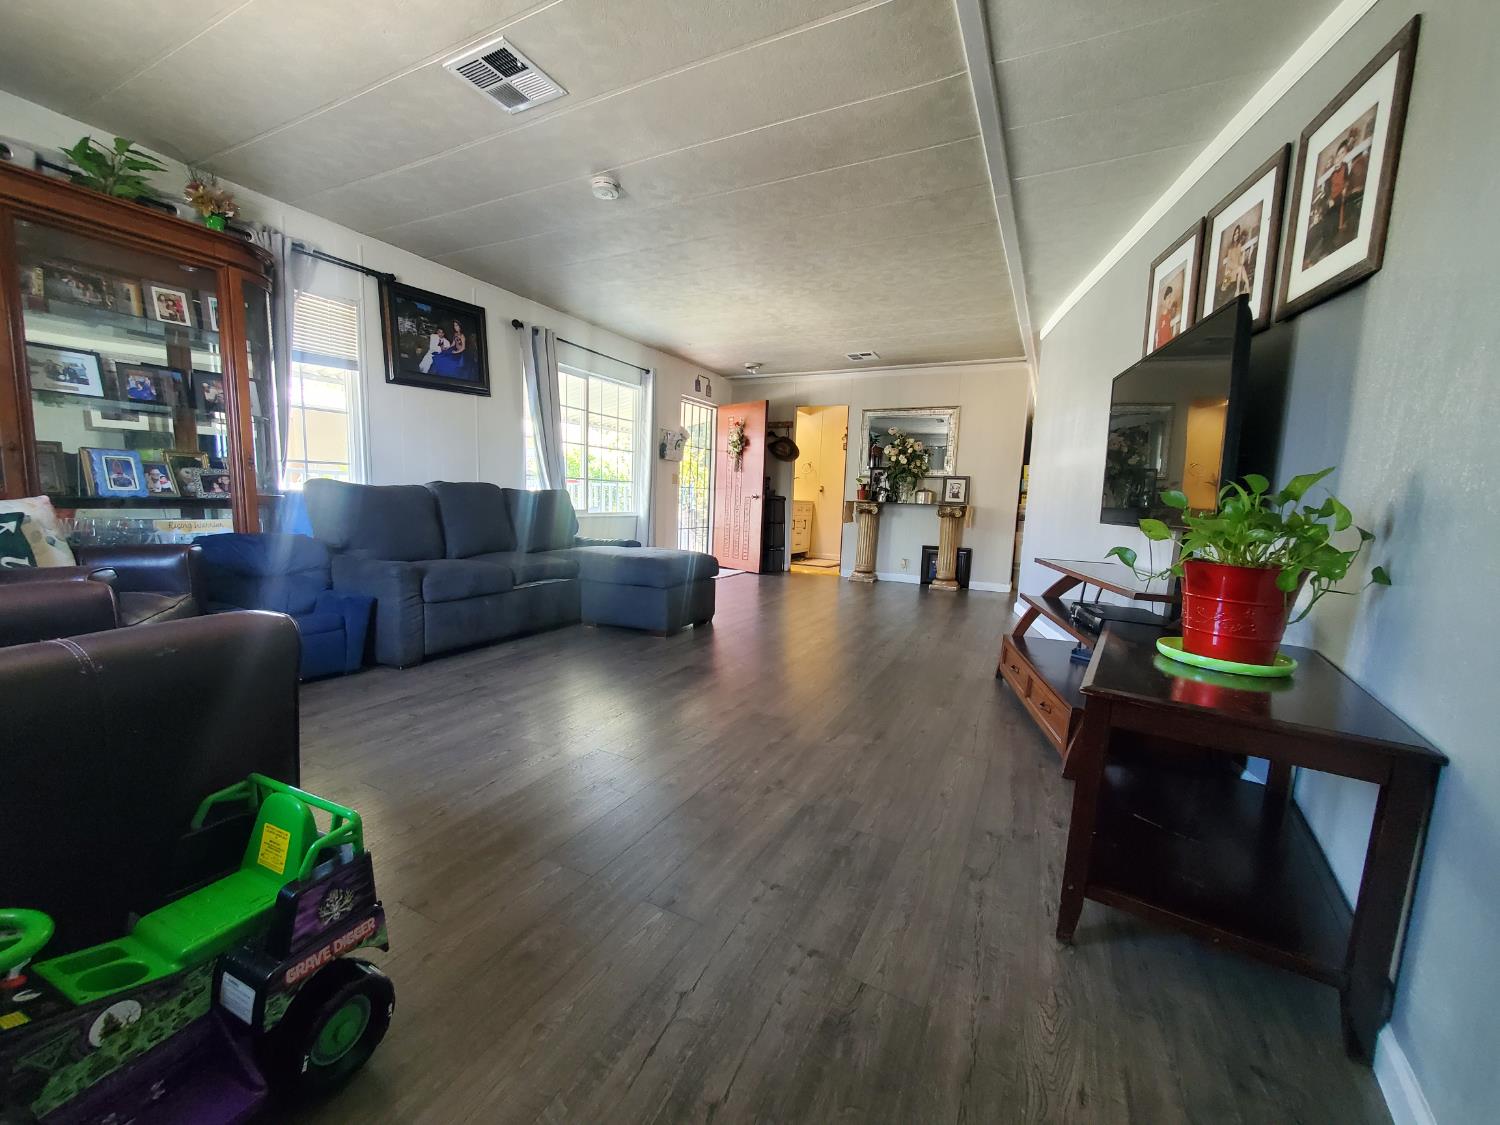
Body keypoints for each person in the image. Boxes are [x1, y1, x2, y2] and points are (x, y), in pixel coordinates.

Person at [1155, 285, 1180, 349]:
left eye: (1171, 297)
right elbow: (1165, 342)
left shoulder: (1167, 316)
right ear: (1164, 300)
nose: (1170, 300)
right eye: (1169, 297)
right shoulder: (1163, 320)